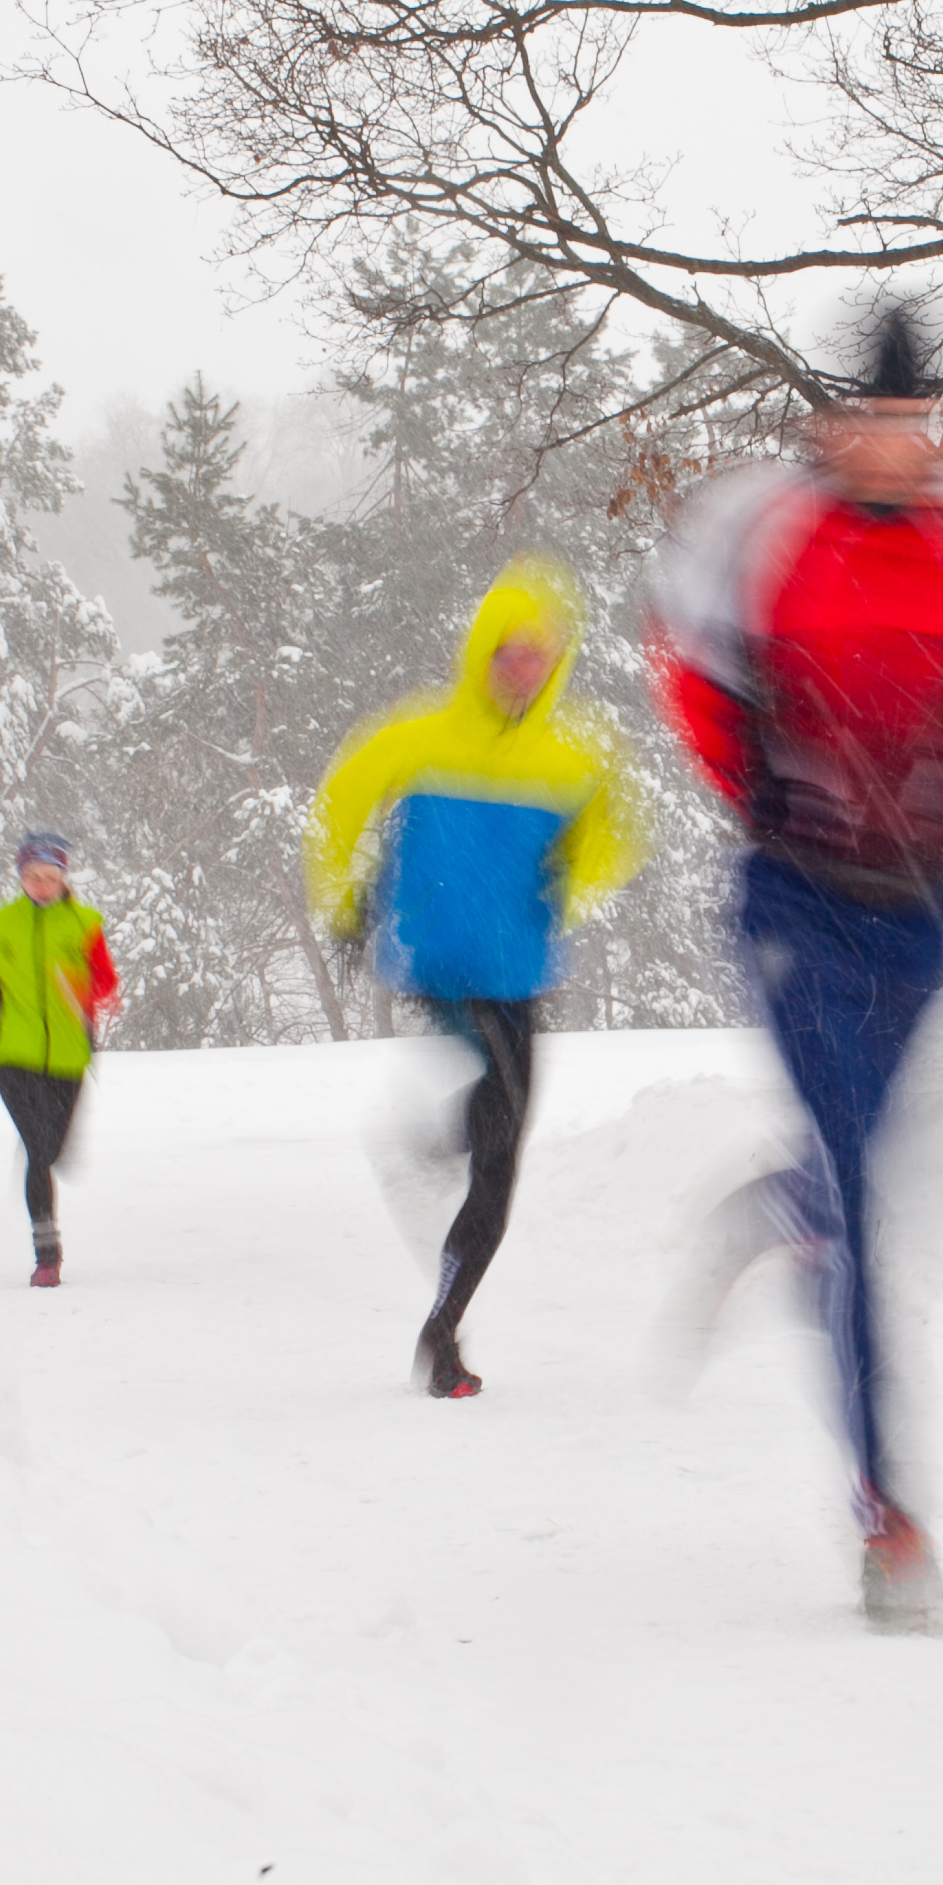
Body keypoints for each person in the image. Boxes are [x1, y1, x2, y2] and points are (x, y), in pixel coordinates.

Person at [645, 307, 943, 1632]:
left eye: (909, 424)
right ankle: (890, 1516)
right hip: (796, 902)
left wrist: (940, 762)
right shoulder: (768, 535)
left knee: (853, 1175)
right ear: (825, 425)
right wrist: (778, 801)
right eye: (864, 422)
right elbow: (693, 676)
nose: (887, 446)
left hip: (922, 909)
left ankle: (781, 1207)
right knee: (864, 1211)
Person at [309, 555, 637, 1398]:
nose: (523, 669)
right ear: (481, 652)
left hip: (516, 968)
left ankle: (441, 1324)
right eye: (509, 652)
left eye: (540, 655)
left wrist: (576, 875)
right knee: (497, 1104)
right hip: (437, 961)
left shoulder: (571, 756)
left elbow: (615, 831)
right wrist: (344, 900)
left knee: (500, 1155)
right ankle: (440, 1155)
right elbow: (341, 799)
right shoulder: (421, 737)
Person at [0, 829, 120, 1288]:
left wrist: (83, 988)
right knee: (39, 1152)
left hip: (67, 1056)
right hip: (11, 1055)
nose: (41, 885)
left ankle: (41, 1147)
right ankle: (47, 1256)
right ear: (20, 877)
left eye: (50, 876)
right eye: (32, 876)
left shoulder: (83, 924)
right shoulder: (1, 926)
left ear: (64, 878)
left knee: (52, 1149)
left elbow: (106, 984)